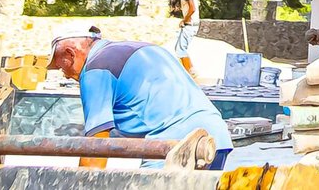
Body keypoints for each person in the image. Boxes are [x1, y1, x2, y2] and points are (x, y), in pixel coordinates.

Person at [49, 33, 233, 170]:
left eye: (60, 66)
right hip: (216, 138)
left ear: (70, 53)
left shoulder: (95, 70)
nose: (63, 74)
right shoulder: (145, 48)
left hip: (176, 147)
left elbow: (95, 148)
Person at [170, 0, 199, 76]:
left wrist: (185, 20)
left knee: (180, 50)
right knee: (180, 48)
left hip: (190, 24)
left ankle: (189, 74)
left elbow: (192, 8)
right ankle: (191, 70)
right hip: (190, 24)